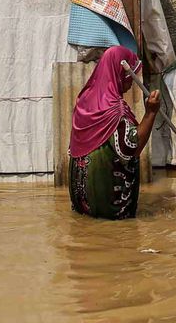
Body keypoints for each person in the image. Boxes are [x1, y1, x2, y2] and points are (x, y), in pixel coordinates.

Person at [68, 45, 160, 220]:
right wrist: (151, 113)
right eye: (129, 75)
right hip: (107, 203)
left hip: (82, 201)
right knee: (120, 241)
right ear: (120, 73)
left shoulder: (84, 102)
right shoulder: (114, 112)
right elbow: (132, 147)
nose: (132, 81)